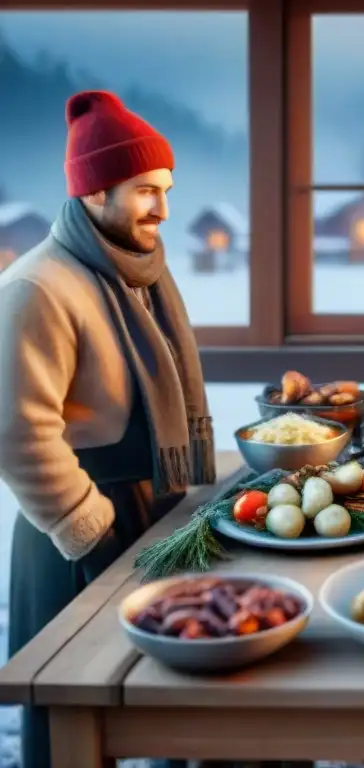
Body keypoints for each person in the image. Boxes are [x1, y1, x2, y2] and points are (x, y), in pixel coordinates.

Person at [0, 90, 216, 768]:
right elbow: (17, 431)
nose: (164, 210)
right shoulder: (39, 287)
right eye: (147, 191)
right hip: (77, 537)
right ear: (96, 192)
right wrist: (91, 531)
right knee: (75, 725)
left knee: (165, 704)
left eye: (167, 190)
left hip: (156, 515)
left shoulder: (140, 273)